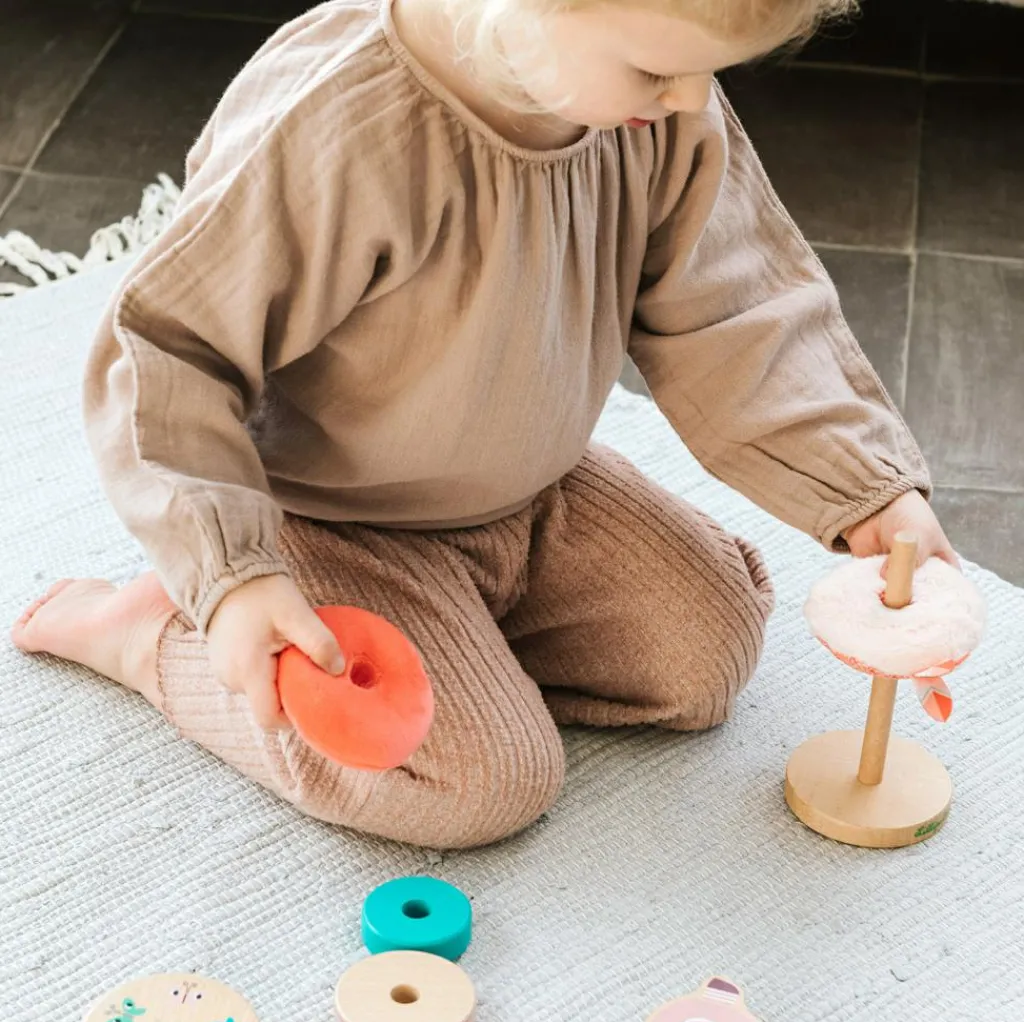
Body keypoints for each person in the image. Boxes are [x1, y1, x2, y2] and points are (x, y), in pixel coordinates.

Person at [12, 0, 957, 849]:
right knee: (482, 781)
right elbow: (164, 352)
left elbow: (739, 308)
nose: (685, 100)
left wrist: (863, 485)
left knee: (709, 651)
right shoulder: (340, 124)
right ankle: (157, 637)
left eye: (704, 72)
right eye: (654, 71)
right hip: (334, 519)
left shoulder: (655, 102)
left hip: (531, 490)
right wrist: (227, 576)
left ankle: (460, 637)